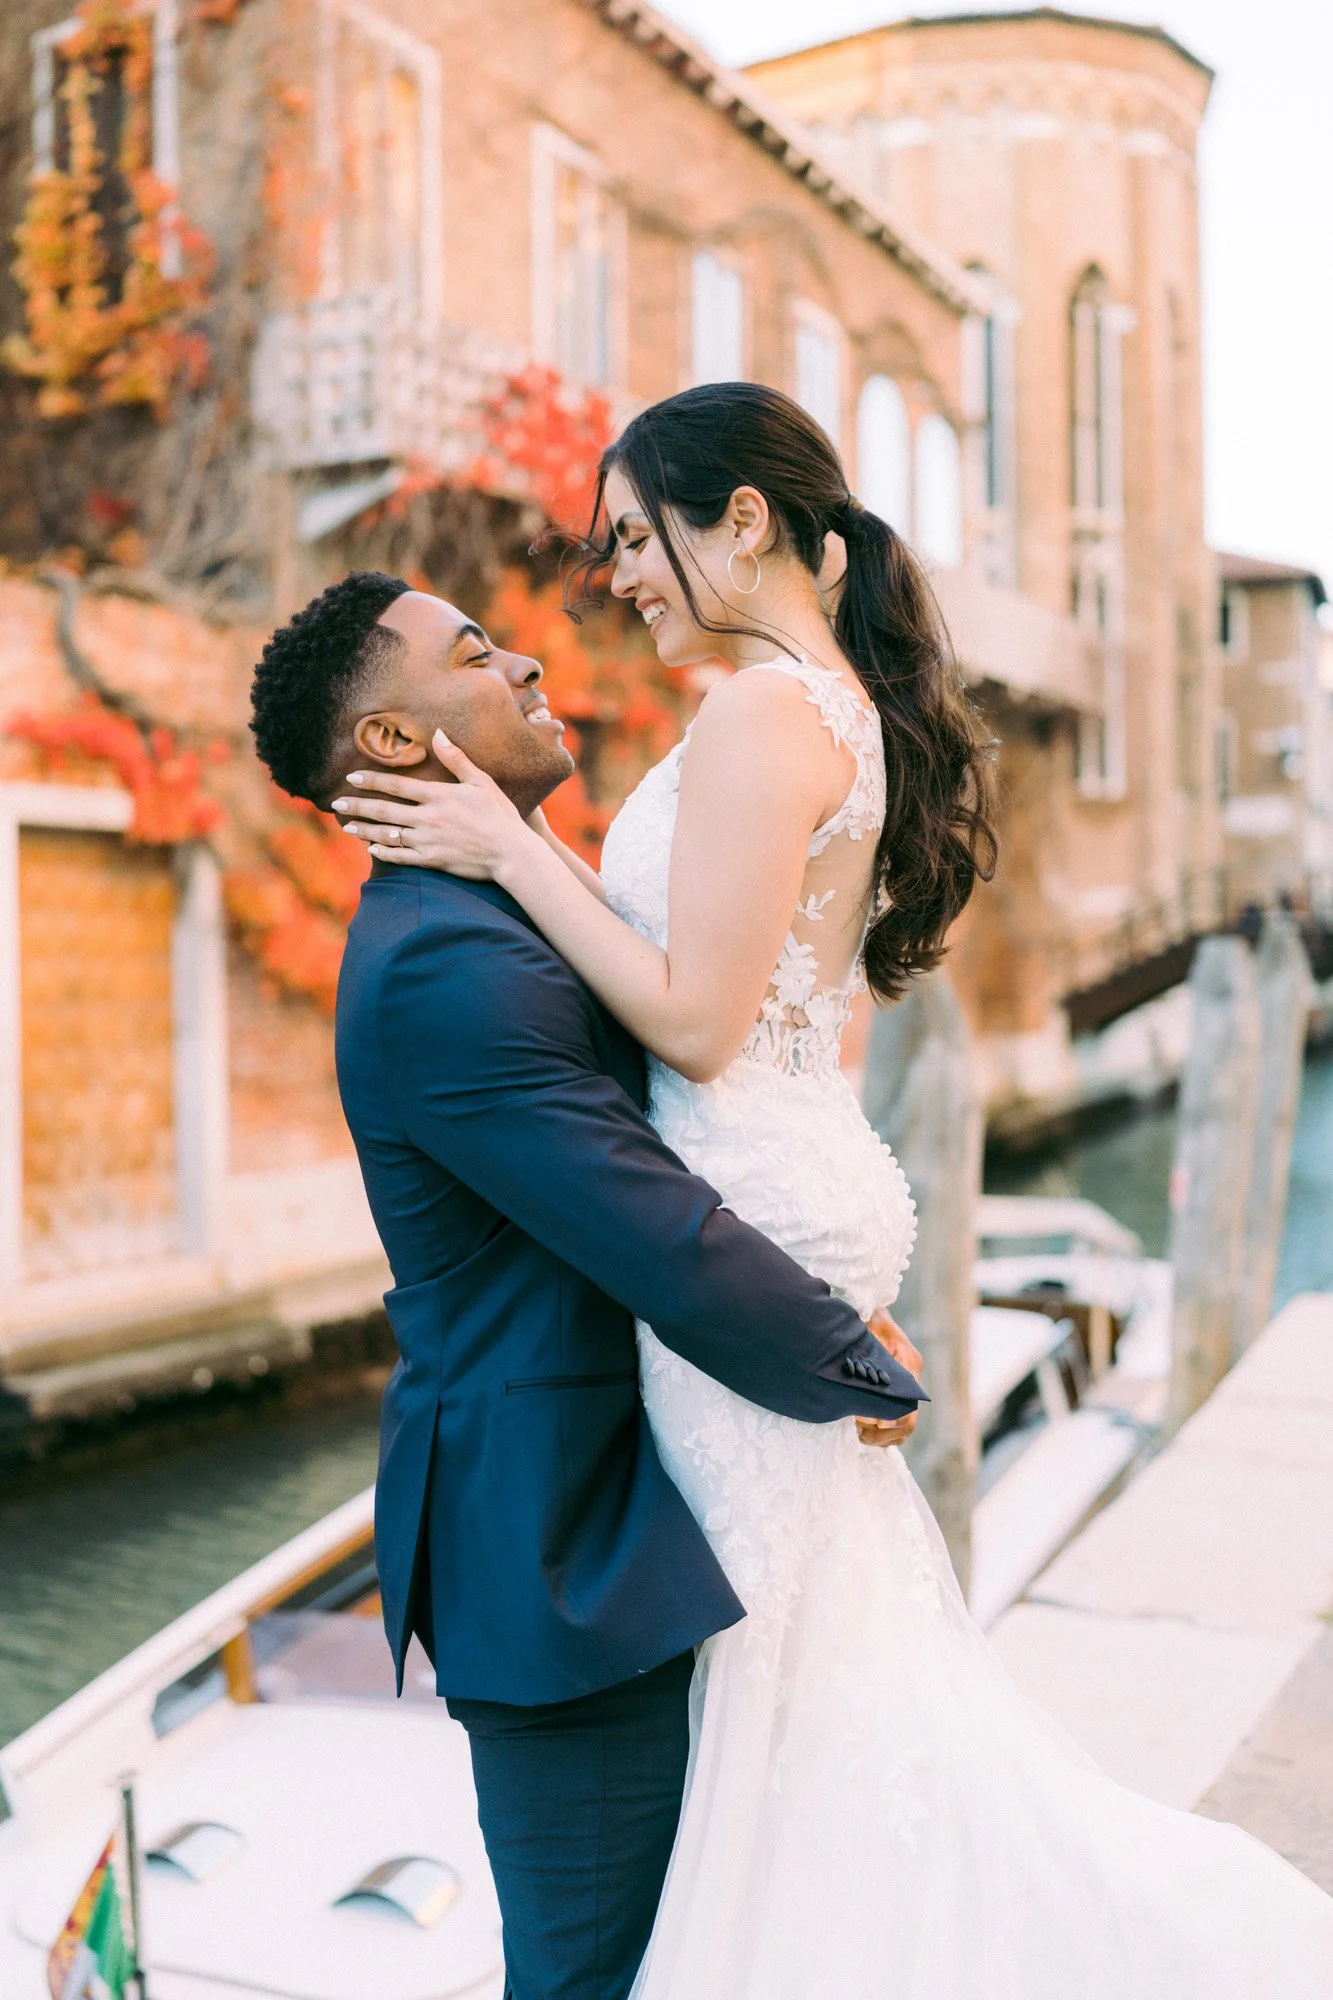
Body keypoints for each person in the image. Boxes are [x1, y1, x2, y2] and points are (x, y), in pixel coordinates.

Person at [337, 382, 1333, 1997]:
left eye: (635, 539)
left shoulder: (757, 715)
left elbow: (693, 1021)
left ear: (742, 523)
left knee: (778, 1684)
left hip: (749, 1192)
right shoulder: (823, 709)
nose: (616, 577)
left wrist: (516, 856)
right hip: (785, 1179)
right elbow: (744, 994)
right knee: (809, 1672)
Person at [249, 566, 926, 2000]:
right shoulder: (437, 970)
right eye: (473, 655)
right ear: (392, 741)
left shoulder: (510, 910)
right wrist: (854, 1364)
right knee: (593, 1976)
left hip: (653, 1507)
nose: (526, 664)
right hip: (558, 1554)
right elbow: (650, 1228)